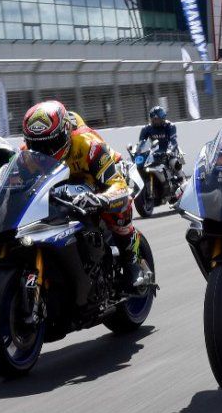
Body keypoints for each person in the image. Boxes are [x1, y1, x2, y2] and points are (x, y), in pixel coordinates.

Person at [20, 100, 148, 291]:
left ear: (65, 133)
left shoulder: (89, 145)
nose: (44, 152)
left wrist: (101, 199)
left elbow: (118, 187)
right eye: (36, 145)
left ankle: (132, 260)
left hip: (100, 177)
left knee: (117, 209)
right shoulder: (26, 154)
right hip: (61, 185)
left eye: (51, 144)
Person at [136, 106, 183, 172]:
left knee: (175, 163)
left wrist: (169, 151)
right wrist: (137, 152)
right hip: (155, 154)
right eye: (154, 119)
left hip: (170, 152)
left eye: (157, 119)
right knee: (142, 166)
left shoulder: (170, 126)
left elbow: (173, 142)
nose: (155, 121)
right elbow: (141, 143)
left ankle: (181, 177)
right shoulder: (146, 129)